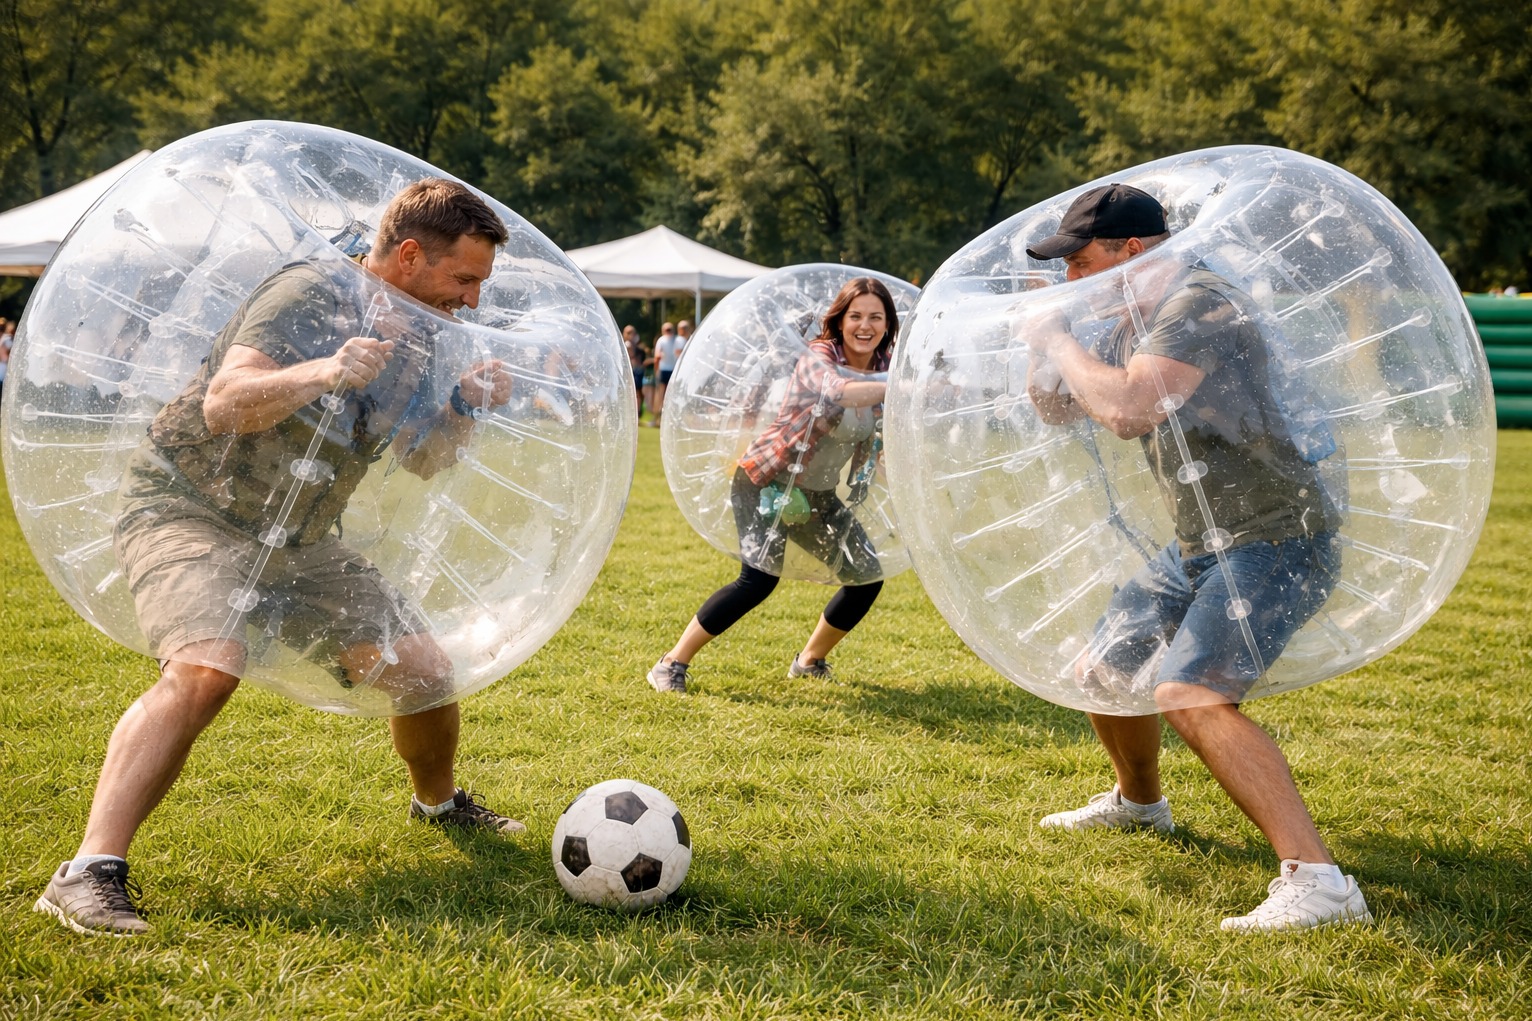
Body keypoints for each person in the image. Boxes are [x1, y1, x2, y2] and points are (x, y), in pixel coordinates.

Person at [34, 179, 526, 938]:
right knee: (206, 669)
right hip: (189, 508)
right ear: (406, 254)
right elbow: (225, 402)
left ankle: (439, 805)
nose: (471, 300)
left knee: (424, 670)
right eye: (463, 278)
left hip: (299, 539)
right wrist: (326, 369)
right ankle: (87, 871)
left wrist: (461, 406)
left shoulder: (425, 338)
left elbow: (421, 458)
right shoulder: (308, 294)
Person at [1022, 183, 1372, 932]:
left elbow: (1127, 409)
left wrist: (1058, 339)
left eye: (1081, 264)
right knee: (1105, 667)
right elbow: (1054, 407)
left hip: (1278, 536)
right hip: (1202, 542)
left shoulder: (1203, 302)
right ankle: (1141, 806)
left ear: (1134, 252)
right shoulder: (1131, 318)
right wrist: (1047, 343)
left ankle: (1322, 882)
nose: (1072, 281)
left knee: (1191, 694)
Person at [647, 278, 895, 694]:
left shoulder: (885, 365)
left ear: (888, 324)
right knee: (759, 579)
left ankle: (809, 661)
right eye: (856, 316)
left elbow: (877, 429)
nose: (865, 325)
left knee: (867, 578)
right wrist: (899, 385)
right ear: (840, 319)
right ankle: (671, 663)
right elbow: (839, 392)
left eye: (876, 317)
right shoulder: (820, 355)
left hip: (815, 495)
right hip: (765, 480)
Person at [651, 321, 682, 426]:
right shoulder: (677, 340)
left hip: (666, 370)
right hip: (672, 371)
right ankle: (663, 419)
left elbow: (657, 356)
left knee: (661, 395)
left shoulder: (662, 340)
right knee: (668, 395)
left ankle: (659, 419)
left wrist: (656, 370)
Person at [623, 323, 648, 417]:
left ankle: (637, 413)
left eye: (632, 333)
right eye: (628, 333)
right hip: (627, 373)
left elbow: (641, 362)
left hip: (636, 373)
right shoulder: (622, 347)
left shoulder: (639, 349)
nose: (630, 335)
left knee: (637, 393)